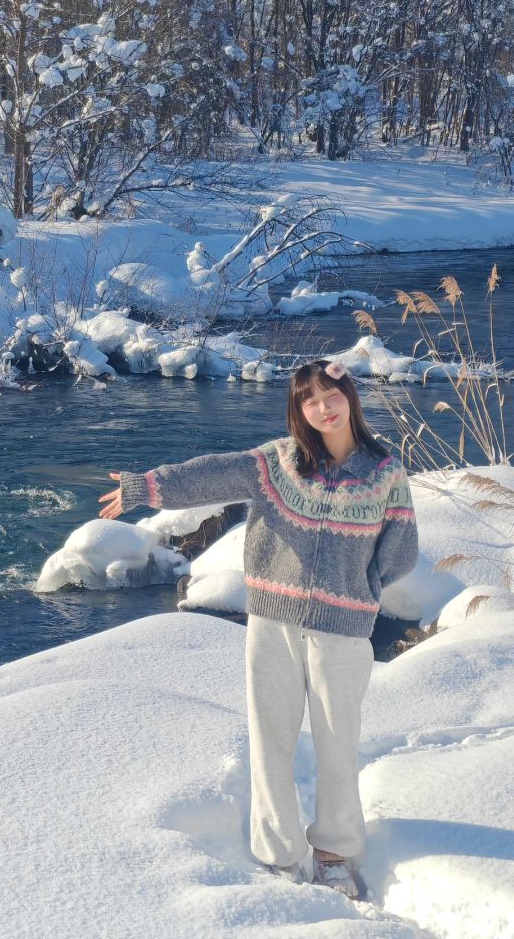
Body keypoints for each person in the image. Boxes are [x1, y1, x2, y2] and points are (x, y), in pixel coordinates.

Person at [99, 358, 418, 901]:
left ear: (349, 397)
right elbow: (213, 473)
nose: (323, 407)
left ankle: (335, 850)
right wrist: (146, 487)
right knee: (269, 735)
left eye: (331, 395)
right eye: (309, 400)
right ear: (299, 409)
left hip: (343, 627)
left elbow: (402, 551)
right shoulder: (276, 462)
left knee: (338, 739)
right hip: (272, 619)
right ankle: (278, 852)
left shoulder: (386, 472)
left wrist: (360, 586)